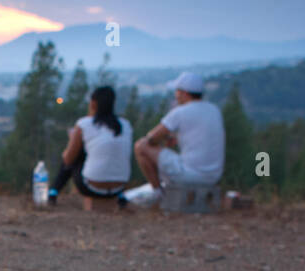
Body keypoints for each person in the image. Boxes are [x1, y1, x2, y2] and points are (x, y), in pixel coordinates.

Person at [125, 71, 224, 207]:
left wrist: (162, 138)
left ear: (184, 93)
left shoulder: (180, 112)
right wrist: (175, 136)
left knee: (140, 146)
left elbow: (151, 138)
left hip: (190, 175)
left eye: (177, 92)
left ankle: (157, 193)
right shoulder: (214, 110)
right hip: (213, 176)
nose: (176, 96)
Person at [49, 86, 133, 208]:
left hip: (91, 187)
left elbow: (68, 159)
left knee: (75, 156)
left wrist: (73, 140)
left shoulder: (84, 124)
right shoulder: (126, 125)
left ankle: (53, 192)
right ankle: (121, 197)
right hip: (119, 187)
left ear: (93, 103)